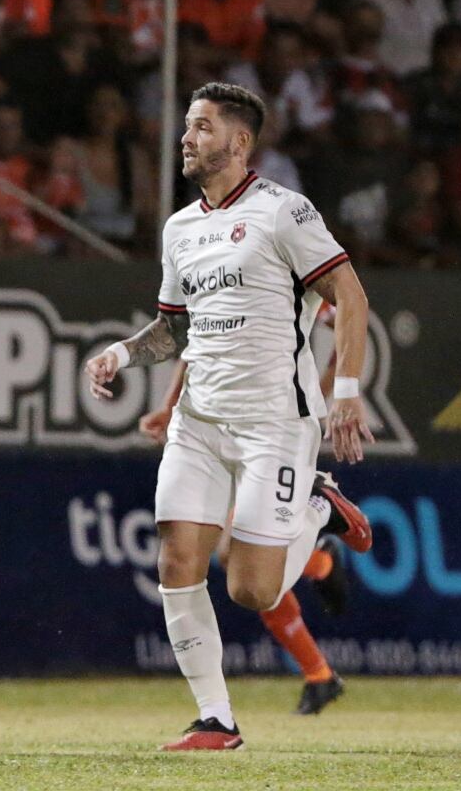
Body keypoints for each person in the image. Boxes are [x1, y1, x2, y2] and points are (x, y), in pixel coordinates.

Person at [84, 82, 374, 750]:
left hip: (275, 421)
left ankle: (319, 506)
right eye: (187, 127)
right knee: (178, 559)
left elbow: (350, 295)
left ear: (239, 143)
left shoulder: (284, 212)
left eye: (202, 127)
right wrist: (124, 355)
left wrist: (347, 391)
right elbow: (171, 331)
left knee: (252, 590)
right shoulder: (179, 228)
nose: (186, 138)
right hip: (199, 421)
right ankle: (217, 719)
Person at [140, 360, 350, 716]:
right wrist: (171, 404)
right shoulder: (223, 313)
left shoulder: (291, 307)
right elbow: (199, 344)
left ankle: (321, 521)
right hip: (228, 433)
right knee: (245, 572)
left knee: (242, 562)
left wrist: (317, 397)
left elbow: (347, 318)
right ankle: (319, 668)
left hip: (276, 435)